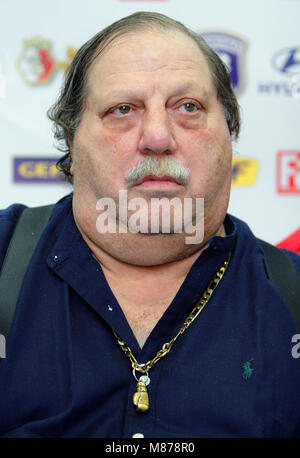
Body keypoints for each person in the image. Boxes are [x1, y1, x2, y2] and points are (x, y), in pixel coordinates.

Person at [0, 11, 299, 438]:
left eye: (188, 107)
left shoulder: (292, 297)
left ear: (229, 134)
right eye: (123, 109)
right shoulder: (4, 257)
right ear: (72, 139)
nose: (158, 136)